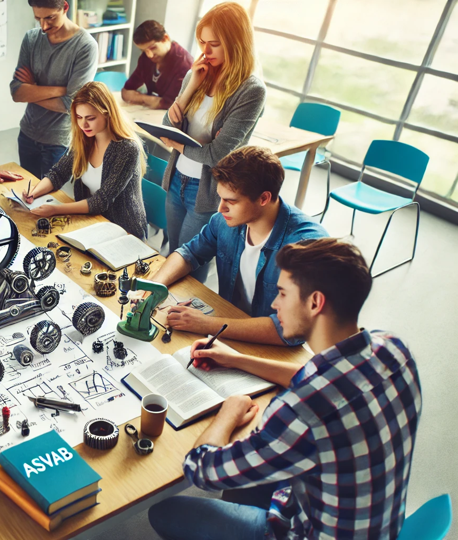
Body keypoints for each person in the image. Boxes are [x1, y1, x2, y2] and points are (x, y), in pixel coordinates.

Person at [148, 238, 422, 540]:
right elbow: (322, 375)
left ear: (315, 303)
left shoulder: (299, 410)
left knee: (164, 511)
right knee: (258, 474)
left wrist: (228, 413)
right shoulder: (394, 348)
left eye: (282, 294)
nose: (275, 304)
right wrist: (237, 360)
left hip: (308, 531)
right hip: (375, 524)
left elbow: (201, 470)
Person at [142, 147, 327, 345]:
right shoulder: (224, 220)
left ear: (264, 198)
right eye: (220, 198)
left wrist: (207, 324)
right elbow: (188, 253)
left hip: (269, 346)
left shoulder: (305, 246)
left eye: (231, 201)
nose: (221, 207)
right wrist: (155, 286)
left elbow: (290, 331)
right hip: (229, 324)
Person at [160, 2, 265, 281]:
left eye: (214, 44)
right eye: (202, 42)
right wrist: (190, 88)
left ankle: (187, 320)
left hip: (207, 190)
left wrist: (182, 146)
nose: (204, 52)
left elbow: (217, 155)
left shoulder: (251, 91)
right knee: (173, 255)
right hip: (177, 178)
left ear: (235, 43)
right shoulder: (198, 74)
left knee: (190, 266)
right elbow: (165, 129)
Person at [23, 81, 147, 240]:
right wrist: (34, 192)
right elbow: (58, 174)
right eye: (79, 117)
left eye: (90, 118)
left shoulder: (127, 149)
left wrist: (56, 209)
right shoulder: (84, 140)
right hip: (93, 221)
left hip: (124, 230)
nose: (83, 124)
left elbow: (101, 201)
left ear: (107, 113)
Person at [12, 0, 98, 179]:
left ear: (65, 7)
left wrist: (33, 89)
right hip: (27, 133)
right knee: (27, 191)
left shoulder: (85, 46)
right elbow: (17, 92)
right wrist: (61, 90)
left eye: (50, 18)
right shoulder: (31, 38)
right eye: (38, 19)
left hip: (58, 141)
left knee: (50, 200)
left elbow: (72, 104)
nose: (43, 26)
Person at [121, 20, 193, 109]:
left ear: (165, 38)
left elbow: (170, 103)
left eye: (153, 48)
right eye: (144, 50)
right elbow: (126, 91)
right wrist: (149, 100)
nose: (149, 55)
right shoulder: (146, 58)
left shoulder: (184, 64)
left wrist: (139, 98)